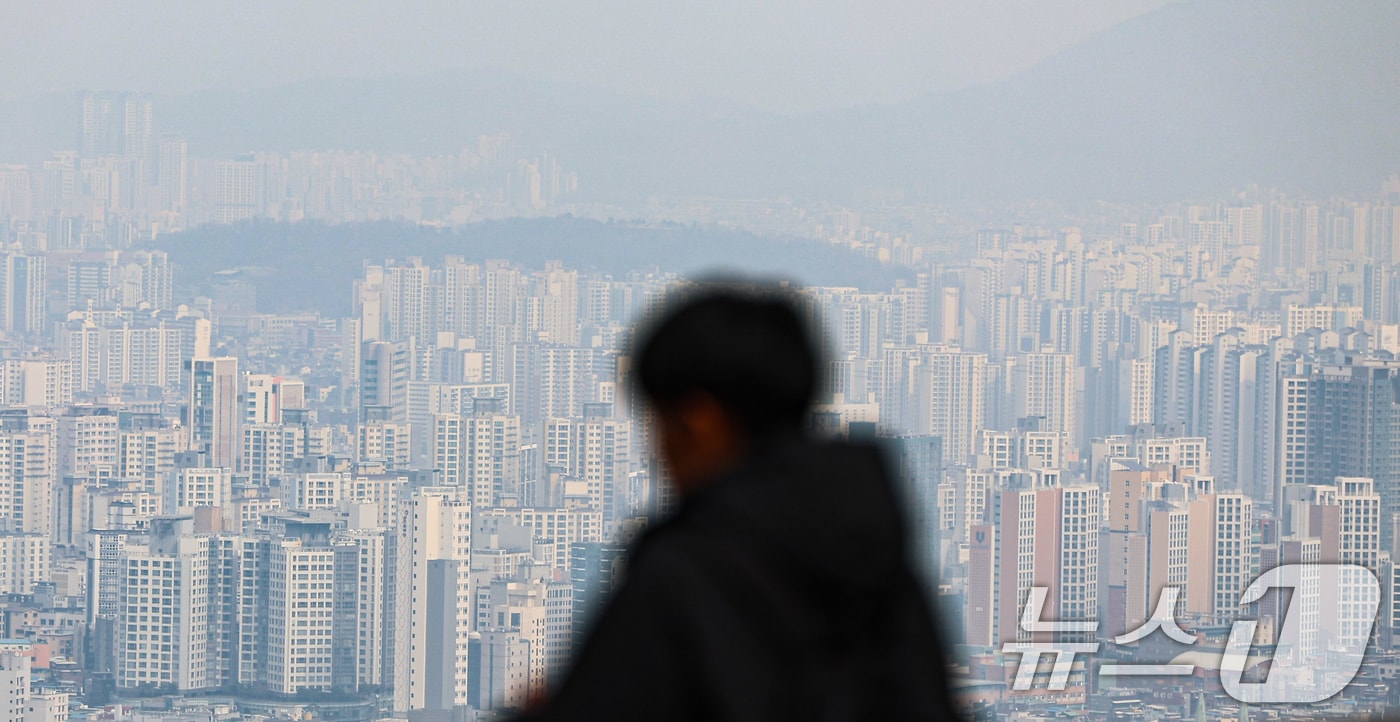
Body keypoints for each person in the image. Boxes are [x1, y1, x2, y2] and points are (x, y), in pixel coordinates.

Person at [513, 284, 959, 721]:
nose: (656, 452)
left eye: (660, 426)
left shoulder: (682, 576)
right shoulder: (876, 565)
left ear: (699, 423)